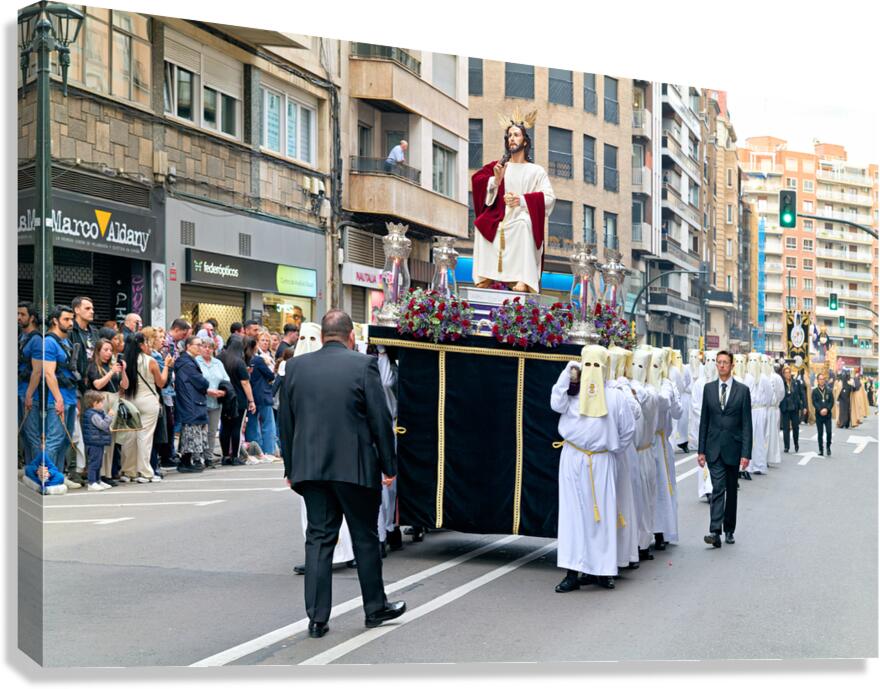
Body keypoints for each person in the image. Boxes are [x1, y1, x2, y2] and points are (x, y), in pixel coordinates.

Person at [278, 309, 404, 638]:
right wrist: (389, 466)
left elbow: (286, 423)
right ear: (350, 336)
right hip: (355, 467)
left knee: (318, 540)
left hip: (311, 468)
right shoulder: (363, 365)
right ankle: (375, 608)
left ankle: (317, 619)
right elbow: (380, 418)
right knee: (364, 538)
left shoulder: (296, 367)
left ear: (321, 336)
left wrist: (291, 467)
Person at [550, 345, 636, 592]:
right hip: (573, 457)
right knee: (572, 516)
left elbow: (628, 429)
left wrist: (612, 451)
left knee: (602, 516)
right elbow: (555, 403)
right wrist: (566, 374)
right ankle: (572, 571)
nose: (592, 371)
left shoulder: (615, 396)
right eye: (587, 364)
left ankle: (602, 570)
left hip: (601, 460)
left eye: (596, 365)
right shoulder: (572, 392)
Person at [289, 323, 356, 575]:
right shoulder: (295, 371)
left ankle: (347, 553)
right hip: (308, 454)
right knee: (313, 511)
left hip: (339, 451)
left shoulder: (339, 370)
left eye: (311, 337)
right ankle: (317, 556)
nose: (306, 342)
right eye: (302, 337)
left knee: (344, 506)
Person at [471, 109, 555, 293]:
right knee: (481, 224)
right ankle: (486, 275)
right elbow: (478, 180)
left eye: (516, 135)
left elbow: (549, 198)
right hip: (500, 216)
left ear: (525, 141)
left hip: (521, 216)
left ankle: (522, 279)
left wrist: (522, 200)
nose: (512, 139)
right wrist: (496, 180)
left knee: (524, 224)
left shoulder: (536, 171)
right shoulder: (500, 167)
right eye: (509, 135)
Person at [698, 350, 753, 547]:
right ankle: (715, 531)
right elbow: (704, 420)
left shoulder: (742, 391)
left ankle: (729, 529)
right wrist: (701, 450)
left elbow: (747, 424)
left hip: (734, 447)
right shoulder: (709, 389)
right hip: (714, 448)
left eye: (725, 362)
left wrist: (746, 453)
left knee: (732, 490)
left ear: (731, 366)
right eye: (719, 362)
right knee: (718, 488)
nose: (722, 365)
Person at [30, 305, 82, 489]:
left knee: (65, 440)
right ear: (55, 321)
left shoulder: (65, 342)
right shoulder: (49, 342)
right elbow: (49, 374)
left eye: (71, 319)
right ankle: (45, 478)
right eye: (66, 319)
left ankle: (57, 475)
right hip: (56, 399)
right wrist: (58, 398)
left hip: (68, 396)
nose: (71, 323)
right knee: (53, 440)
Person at [120, 332, 172, 482]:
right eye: (146, 343)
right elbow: (161, 383)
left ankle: (128, 471)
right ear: (141, 345)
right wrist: (167, 366)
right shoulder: (150, 361)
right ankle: (145, 472)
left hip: (130, 401)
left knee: (130, 438)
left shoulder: (124, 361)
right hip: (148, 401)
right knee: (145, 438)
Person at [628, 347, 659, 559]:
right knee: (632, 502)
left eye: (641, 366)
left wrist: (635, 389)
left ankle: (644, 543)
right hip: (631, 453)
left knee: (646, 499)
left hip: (645, 451)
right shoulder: (623, 387)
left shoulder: (651, 391)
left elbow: (647, 401)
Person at [86, 338, 129, 486]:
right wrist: (111, 372)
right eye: (105, 350)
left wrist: (123, 371)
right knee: (102, 436)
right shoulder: (93, 366)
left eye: (111, 350)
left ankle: (108, 473)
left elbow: (125, 385)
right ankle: (100, 474)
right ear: (98, 351)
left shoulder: (113, 366)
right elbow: (97, 384)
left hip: (115, 399)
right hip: (101, 399)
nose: (109, 353)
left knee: (112, 437)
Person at [174, 336, 212, 472]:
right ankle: (185, 461)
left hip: (192, 400)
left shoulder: (188, 361)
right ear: (188, 346)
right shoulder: (187, 363)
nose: (201, 347)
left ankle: (187, 460)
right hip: (191, 401)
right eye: (198, 345)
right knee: (190, 432)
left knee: (192, 432)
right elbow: (201, 382)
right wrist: (205, 383)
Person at [218, 336, 255, 466]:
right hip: (239, 398)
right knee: (236, 428)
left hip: (223, 397)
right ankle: (235, 456)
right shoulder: (239, 362)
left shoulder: (219, 359)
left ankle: (225, 456)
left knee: (225, 427)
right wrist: (251, 400)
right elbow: (245, 382)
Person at [244, 331, 278, 459]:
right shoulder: (259, 359)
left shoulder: (248, 359)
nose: (265, 343)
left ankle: (256, 451)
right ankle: (268, 451)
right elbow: (270, 375)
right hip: (263, 394)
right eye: (262, 340)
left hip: (251, 395)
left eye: (267, 341)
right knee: (268, 424)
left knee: (253, 424)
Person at [196, 338, 230, 464]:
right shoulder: (196, 362)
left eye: (210, 347)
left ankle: (208, 456)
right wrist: (208, 391)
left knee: (212, 431)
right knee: (200, 431)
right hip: (201, 401)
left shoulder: (217, 363)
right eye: (204, 346)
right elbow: (195, 381)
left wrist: (224, 391)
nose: (207, 349)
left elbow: (226, 379)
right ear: (199, 348)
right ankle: (198, 456)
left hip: (216, 402)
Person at [18, 302, 42, 465]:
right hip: (19, 389)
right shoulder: (21, 337)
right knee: (24, 433)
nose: (18, 318)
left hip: (29, 392)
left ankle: (36, 470)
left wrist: (29, 394)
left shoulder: (36, 340)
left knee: (31, 433)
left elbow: (37, 371)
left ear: (32, 317)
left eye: (22, 315)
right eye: (17, 314)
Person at [82, 390, 115, 491]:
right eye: (101, 402)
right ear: (94, 403)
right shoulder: (94, 415)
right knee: (94, 463)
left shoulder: (97, 413)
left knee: (98, 463)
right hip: (94, 443)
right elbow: (103, 425)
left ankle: (98, 480)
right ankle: (92, 482)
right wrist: (109, 416)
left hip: (97, 442)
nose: (102, 404)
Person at [746, 353, 771, 475]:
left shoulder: (764, 378)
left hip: (760, 411)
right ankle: (748, 465)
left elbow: (769, 395)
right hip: (749, 411)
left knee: (760, 438)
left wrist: (764, 408)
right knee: (749, 438)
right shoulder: (746, 377)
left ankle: (759, 464)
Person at [779, 365, 803, 453]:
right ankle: (786, 446)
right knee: (786, 429)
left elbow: (801, 394)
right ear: (783, 374)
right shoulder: (781, 383)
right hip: (785, 408)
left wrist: (803, 406)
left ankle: (796, 443)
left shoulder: (796, 383)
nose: (788, 374)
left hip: (794, 408)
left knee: (795, 428)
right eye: (786, 373)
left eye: (789, 372)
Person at [812, 372, 834, 457]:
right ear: (817, 380)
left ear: (825, 380)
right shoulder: (815, 391)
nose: (821, 381)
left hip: (827, 415)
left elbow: (831, 402)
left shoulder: (829, 390)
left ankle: (828, 447)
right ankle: (821, 449)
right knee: (820, 433)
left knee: (829, 432)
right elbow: (814, 402)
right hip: (819, 415)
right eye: (820, 379)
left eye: (823, 379)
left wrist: (827, 409)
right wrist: (820, 410)